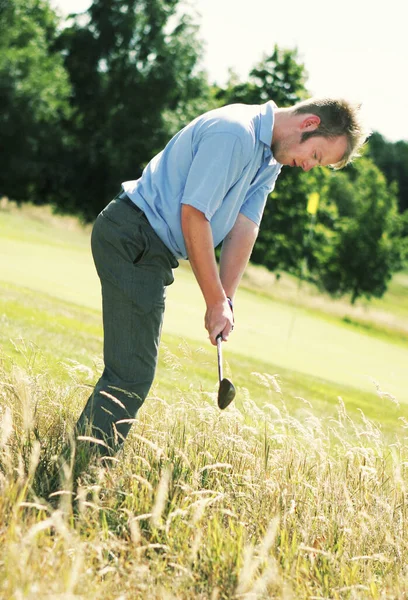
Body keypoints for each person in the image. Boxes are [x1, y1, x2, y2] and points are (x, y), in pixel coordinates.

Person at [75, 97, 368, 456]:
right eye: (316, 156)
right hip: (133, 236)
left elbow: (245, 227)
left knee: (131, 371)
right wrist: (213, 299)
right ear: (308, 124)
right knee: (131, 375)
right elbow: (194, 215)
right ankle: (76, 476)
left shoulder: (269, 158)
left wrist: (225, 300)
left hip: (149, 247)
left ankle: (80, 467)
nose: (307, 167)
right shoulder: (235, 133)